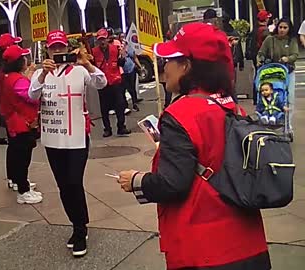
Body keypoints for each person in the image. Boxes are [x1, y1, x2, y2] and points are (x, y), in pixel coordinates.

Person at [117, 23, 271, 270]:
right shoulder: (232, 106)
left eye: (170, 59)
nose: (164, 66)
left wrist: (136, 180)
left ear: (187, 66)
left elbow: (172, 184)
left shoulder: (181, 112)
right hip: (249, 244)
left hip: (202, 250)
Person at [29, 30, 107, 257]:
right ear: (48, 50)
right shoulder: (42, 73)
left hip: (77, 137)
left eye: (61, 47)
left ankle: (81, 228)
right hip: (53, 137)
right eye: (53, 48)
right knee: (63, 185)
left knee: (74, 182)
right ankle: (75, 224)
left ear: (66, 47)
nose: (57, 51)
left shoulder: (80, 70)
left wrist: (88, 64)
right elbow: (32, 95)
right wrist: (43, 75)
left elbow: (102, 83)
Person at [0, 33, 38, 192]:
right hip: (18, 118)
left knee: (15, 150)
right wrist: (31, 77)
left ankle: (16, 179)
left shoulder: (3, 72)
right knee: (20, 152)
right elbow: (31, 95)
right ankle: (21, 184)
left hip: (11, 115)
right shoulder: (13, 78)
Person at [0, 45, 42, 204]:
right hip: (22, 124)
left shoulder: (8, 76)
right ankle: (23, 191)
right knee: (23, 158)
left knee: (19, 157)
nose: (26, 60)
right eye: (23, 57)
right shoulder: (16, 80)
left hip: (17, 123)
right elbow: (32, 96)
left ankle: (21, 184)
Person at [257, 18, 298, 131]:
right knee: (271, 95)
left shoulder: (291, 40)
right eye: (280, 27)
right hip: (271, 72)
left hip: (287, 72)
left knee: (289, 98)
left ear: (289, 29)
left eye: (285, 28)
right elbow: (261, 52)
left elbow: (295, 54)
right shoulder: (270, 39)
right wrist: (260, 59)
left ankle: (287, 123)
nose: (282, 30)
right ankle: (268, 118)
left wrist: (287, 58)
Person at [92, 28, 131, 137]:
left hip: (115, 81)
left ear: (107, 39)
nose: (102, 42)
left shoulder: (115, 49)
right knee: (104, 108)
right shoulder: (94, 51)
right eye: (100, 40)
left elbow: (121, 64)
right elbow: (92, 67)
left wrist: (123, 57)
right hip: (103, 84)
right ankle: (107, 129)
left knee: (120, 105)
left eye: (104, 39)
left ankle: (121, 127)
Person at [121, 39, 144, 112]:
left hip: (131, 69)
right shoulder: (118, 48)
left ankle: (134, 103)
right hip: (122, 72)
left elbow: (134, 57)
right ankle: (125, 105)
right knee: (124, 88)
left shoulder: (129, 47)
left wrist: (140, 66)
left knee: (132, 87)